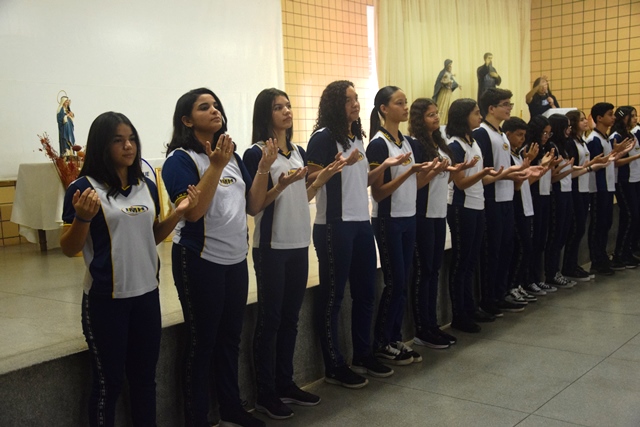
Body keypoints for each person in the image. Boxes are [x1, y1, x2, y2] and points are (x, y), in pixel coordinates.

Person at [60, 112, 200, 427]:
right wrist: (82, 218)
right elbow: (69, 248)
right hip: (106, 299)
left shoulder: (146, 185)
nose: (128, 146)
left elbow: (151, 236)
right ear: (101, 145)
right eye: (118, 140)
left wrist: (178, 214)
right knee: (108, 383)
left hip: (146, 297)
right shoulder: (83, 189)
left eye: (132, 139)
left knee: (144, 379)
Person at [162, 87, 276, 427]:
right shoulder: (180, 160)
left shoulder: (232, 157)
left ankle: (230, 408)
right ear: (187, 120)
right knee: (202, 342)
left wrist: (263, 168)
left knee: (229, 338)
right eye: (204, 107)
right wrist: (215, 166)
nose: (215, 111)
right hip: (199, 259)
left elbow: (253, 205)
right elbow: (193, 212)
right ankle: (196, 417)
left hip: (234, 260)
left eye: (216, 106)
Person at [244, 88, 345, 420]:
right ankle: (265, 392)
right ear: (265, 114)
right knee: (271, 319)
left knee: (290, 318)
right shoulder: (255, 153)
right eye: (278, 107)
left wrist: (321, 179)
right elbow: (256, 204)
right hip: (272, 247)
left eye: (288, 106)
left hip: (299, 243)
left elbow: (302, 196)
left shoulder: (298, 151)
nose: (286, 111)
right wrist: (279, 182)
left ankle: (285, 382)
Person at [306, 80, 404, 389]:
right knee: (334, 296)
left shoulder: (357, 138)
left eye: (356, 98)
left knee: (366, 292)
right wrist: (336, 167)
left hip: (361, 223)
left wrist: (384, 165)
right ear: (335, 104)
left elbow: (360, 180)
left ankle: (363, 354)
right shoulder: (323, 137)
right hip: (334, 225)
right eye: (348, 100)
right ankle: (334, 364)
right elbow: (310, 178)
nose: (355, 104)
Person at [367, 86, 438, 366]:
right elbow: (379, 193)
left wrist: (431, 172)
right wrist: (409, 172)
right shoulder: (378, 144)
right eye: (399, 103)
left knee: (404, 280)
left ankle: (394, 337)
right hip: (388, 220)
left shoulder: (409, 143)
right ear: (384, 109)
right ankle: (381, 341)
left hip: (409, 217)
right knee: (394, 282)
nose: (405, 107)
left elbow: (414, 184)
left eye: (406, 102)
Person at [409, 98, 469, 348]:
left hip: (438, 212)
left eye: (436, 113)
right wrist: (435, 171)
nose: (436, 117)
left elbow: (443, 181)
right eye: (430, 115)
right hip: (422, 214)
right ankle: (422, 328)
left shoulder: (440, 143)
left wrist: (452, 171)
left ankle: (432, 324)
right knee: (423, 272)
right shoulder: (415, 144)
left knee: (433, 270)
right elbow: (416, 184)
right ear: (419, 119)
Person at [474, 88, 529, 316]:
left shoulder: (502, 134)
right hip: (492, 199)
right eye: (505, 104)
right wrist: (508, 174)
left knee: (507, 248)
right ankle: (489, 299)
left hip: (507, 198)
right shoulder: (482, 133)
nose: (509, 108)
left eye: (510, 104)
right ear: (491, 108)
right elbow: (484, 172)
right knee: (492, 252)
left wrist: (519, 173)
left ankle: (501, 292)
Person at [446, 98, 499, 333]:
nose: (480, 116)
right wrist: (483, 173)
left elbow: (481, 178)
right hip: (461, 207)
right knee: (461, 261)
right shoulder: (455, 145)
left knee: (471, 261)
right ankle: (459, 314)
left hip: (478, 205)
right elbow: (461, 183)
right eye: (476, 113)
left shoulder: (474, 142)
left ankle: (470, 307)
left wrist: (504, 174)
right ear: (463, 116)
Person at [562, 110, 610, 281]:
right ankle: (569, 265)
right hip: (575, 188)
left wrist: (593, 163)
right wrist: (590, 167)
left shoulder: (581, 140)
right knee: (576, 229)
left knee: (580, 228)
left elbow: (583, 165)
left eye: (584, 119)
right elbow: (572, 169)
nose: (585, 122)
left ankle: (573, 264)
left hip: (584, 188)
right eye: (581, 120)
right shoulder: (570, 143)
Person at [586, 102, 633, 276]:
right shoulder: (594, 139)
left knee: (606, 224)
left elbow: (609, 162)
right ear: (599, 118)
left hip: (607, 186)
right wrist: (615, 154)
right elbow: (597, 164)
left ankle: (602, 257)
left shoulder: (605, 138)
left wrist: (616, 153)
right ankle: (596, 260)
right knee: (598, 225)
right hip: (598, 188)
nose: (613, 117)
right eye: (610, 114)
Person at [503, 117, 547, 299]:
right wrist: (526, 167)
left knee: (527, 247)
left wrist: (539, 169)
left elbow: (525, 182)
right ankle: (512, 285)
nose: (522, 139)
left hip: (526, 204)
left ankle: (519, 283)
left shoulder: (518, 155)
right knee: (521, 247)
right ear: (508, 135)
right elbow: (515, 185)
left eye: (524, 135)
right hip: (516, 205)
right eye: (519, 135)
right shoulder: (507, 156)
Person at [545, 114, 578, 289]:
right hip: (557, 193)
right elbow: (552, 176)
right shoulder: (552, 147)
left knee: (564, 232)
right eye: (566, 126)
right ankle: (551, 272)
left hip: (567, 191)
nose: (569, 130)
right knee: (556, 234)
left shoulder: (564, 146)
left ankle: (556, 270)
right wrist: (566, 170)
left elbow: (568, 171)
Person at [609, 106, 640, 269]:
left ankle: (627, 251)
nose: (635, 119)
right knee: (629, 215)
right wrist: (636, 156)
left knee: (634, 216)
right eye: (632, 116)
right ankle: (619, 253)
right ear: (624, 117)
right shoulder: (616, 136)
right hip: (622, 180)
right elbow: (614, 162)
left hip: (634, 179)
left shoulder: (631, 135)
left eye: (636, 116)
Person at [433, 60, 460, 124]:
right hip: (444, 93)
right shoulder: (442, 73)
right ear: (446, 65)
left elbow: (452, 80)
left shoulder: (449, 73)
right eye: (449, 65)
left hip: (449, 92)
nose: (450, 67)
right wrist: (445, 83)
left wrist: (457, 84)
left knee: (450, 105)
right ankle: (442, 121)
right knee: (443, 106)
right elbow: (439, 82)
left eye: (451, 66)